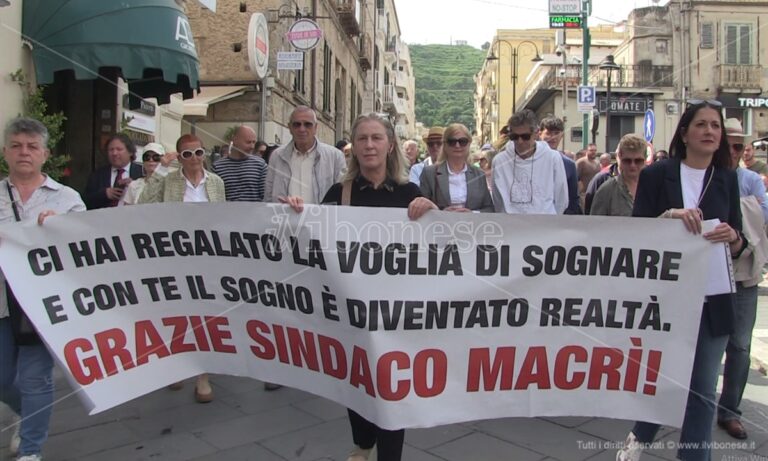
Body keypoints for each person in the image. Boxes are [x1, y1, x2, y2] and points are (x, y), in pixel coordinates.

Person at [282, 113, 433, 461]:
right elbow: (314, 239)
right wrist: (297, 212)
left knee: (392, 388)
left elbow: (433, 245)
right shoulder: (340, 192)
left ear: (390, 145)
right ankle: (363, 443)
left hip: (396, 312)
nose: (369, 145)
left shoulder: (409, 192)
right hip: (352, 309)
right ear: (354, 147)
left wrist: (431, 209)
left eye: (376, 138)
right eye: (362, 138)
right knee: (359, 380)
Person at [617, 100, 745, 461]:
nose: (710, 131)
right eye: (702, 124)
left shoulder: (728, 178)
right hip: (668, 300)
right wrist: (669, 215)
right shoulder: (658, 174)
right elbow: (637, 233)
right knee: (666, 381)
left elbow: (739, 241)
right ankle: (640, 434)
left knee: (703, 390)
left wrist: (732, 237)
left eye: (715, 126)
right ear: (685, 133)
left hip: (715, 296)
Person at [0, 117, 86, 461]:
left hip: (42, 304)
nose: (24, 152)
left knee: (35, 378)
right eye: (17, 145)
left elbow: (85, 249)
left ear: (45, 154)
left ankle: (31, 450)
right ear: (6, 151)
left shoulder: (67, 199)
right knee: (3, 377)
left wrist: (60, 229)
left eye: (32, 146)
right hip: (1, 303)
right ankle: (26, 413)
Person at [138, 134, 225, 403]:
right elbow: (143, 204)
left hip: (207, 256)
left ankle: (202, 374)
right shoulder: (168, 181)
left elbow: (224, 218)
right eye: (187, 154)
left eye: (198, 152)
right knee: (176, 312)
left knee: (204, 313)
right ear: (179, 157)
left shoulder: (216, 182)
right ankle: (175, 365)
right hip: (175, 256)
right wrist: (162, 167)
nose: (194, 159)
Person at [716, 118, 768, 440]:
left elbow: (764, 214)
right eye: (729, 146)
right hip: (709, 273)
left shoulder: (750, 180)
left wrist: (742, 209)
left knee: (740, 347)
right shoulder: (707, 176)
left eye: (739, 147)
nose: (733, 152)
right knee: (699, 344)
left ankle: (730, 411)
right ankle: (696, 403)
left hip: (744, 275)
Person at [491, 110, 568, 215]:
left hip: (544, 226)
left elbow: (561, 197)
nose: (520, 141)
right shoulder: (499, 161)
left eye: (525, 136)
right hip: (511, 226)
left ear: (536, 134)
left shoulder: (553, 158)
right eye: (514, 137)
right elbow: (497, 199)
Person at [264, 106, 346, 204]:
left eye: (308, 124)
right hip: (285, 217)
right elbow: (268, 197)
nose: (302, 129)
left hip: (320, 218)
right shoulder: (277, 156)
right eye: (297, 124)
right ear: (290, 128)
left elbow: (342, 196)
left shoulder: (335, 157)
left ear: (315, 128)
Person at [418, 123, 493, 212]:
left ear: (469, 144)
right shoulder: (429, 173)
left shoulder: (479, 174)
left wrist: (472, 213)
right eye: (452, 142)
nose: (457, 145)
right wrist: (441, 212)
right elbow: (421, 206)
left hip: (472, 224)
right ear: (445, 145)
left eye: (462, 141)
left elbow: (489, 208)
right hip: (440, 224)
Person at [590, 134, 647, 217]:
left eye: (638, 161)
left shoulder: (654, 188)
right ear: (619, 158)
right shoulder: (606, 190)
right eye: (627, 161)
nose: (632, 165)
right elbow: (594, 224)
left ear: (645, 159)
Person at [83, 133, 143, 209]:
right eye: (111, 150)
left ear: (130, 152)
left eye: (119, 149)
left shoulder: (142, 172)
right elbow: (85, 202)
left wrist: (135, 186)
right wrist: (104, 194)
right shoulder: (98, 175)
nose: (114, 153)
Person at [213, 125, 267, 202]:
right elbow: (215, 197)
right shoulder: (218, 167)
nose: (252, 146)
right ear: (234, 140)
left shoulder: (260, 165)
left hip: (254, 212)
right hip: (228, 212)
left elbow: (265, 196)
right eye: (248, 142)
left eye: (254, 142)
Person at [539, 115, 581, 214]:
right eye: (548, 133)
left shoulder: (569, 164)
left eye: (556, 133)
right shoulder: (530, 160)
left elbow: (573, 198)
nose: (552, 137)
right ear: (540, 134)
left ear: (562, 135)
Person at [576, 142, 600, 209]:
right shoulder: (581, 162)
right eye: (591, 150)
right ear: (586, 151)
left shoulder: (598, 163)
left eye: (595, 150)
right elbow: (575, 178)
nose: (593, 152)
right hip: (584, 194)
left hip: (595, 194)